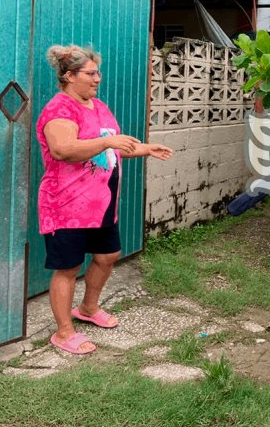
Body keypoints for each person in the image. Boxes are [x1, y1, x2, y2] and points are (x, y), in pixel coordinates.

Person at [37, 44, 173, 355]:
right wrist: (106, 141)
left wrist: (146, 148)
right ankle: (63, 332)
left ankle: (87, 307)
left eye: (98, 72)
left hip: (101, 203)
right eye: (91, 73)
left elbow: (113, 145)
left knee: (108, 255)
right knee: (68, 268)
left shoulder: (98, 107)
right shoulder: (59, 110)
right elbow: (63, 150)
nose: (98, 78)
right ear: (70, 76)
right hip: (67, 204)